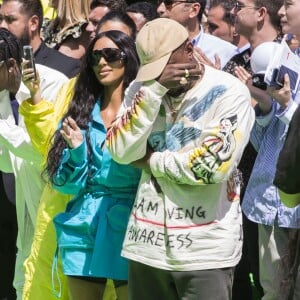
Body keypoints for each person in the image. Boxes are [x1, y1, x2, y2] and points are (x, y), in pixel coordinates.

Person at [106, 18, 255, 300]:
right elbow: (120, 151)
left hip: (205, 250)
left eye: (165, 66)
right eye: (153, 69)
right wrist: (152, 93)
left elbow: (209, 168)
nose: (159, 75)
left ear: (189, 49)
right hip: (146, 247)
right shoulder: (143, 88)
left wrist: (150, 161)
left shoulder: (230, 92)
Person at [21, 30, 141, 300]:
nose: (102, 62)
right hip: (82, 224)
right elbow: (65, 184)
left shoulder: (141, 110)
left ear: (129, 58)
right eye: (95, 56)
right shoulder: (83, 109)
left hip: (128, 225)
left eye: (111, 55)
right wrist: (75, 152)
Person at [232, 1, 300, 299]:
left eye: (289, 4)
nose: (281, 12)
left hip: (294, 205)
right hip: (265, 202)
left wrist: (286, 107)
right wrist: (263, 105)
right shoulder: (283, 59)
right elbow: (267, 144)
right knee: (271, 292)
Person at [0, 27, 69, 299]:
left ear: (11, 65)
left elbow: (45, 149)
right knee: (22, 284)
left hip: (58, 201)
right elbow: (7, 163)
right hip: (27, 200)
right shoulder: (3, 92)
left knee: (54, 285)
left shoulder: (53, 84)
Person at [0, 0, 81, 78]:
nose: (2, 26)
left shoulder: (66, 69)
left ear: (33, 23)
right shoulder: (2, 65)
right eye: (0, 19)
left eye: (10, 20)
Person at [157, 0, 237, 68]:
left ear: (194, 10)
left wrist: (213, 77)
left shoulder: (227, 52)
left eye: (168, 2)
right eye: (159, 1)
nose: (159, 9)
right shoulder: (152, 46)